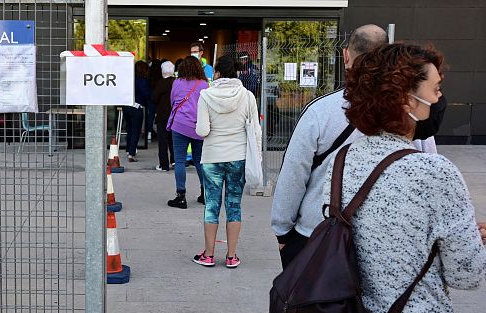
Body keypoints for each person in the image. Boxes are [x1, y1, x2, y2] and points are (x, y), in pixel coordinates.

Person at [321, 42, 486, 313]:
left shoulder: (342, 161)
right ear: (406, 101)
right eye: (436, 88)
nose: (441, 96)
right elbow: (468, 274)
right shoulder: (434, 172)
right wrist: (469, 243)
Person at [271, 25, 389, 272]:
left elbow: (294, 173)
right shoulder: (409, 116)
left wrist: (282, 231)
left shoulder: (321, 112)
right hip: (385, 240)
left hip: (319, 233)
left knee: (315, 310)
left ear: (346, 56)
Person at [193, 56, 257, 268]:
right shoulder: (247, 96)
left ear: (217, 73)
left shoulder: (205, 96)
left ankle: (209, 255)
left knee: (211, 205)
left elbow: (202, 131)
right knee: (234, 205)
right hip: (238, 157)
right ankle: (231, 256)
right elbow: (255, 130)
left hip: (212, 157)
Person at [166, 56, 209, 209]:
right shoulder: (204, 84)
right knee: (199, 161)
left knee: (179, 161)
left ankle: (181, 196)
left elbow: (173, 102)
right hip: (198, 127)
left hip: (179, 125)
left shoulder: (177, 82)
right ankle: (205, 194)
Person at [152, 60, 176, 172]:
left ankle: (164, 165)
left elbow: (154, 98)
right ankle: (175, 161)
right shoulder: (177, 82)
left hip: (163, 116)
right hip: (175, 116)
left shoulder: (161, 83)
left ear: (163, 71)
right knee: (173, 140)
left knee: (163, 141)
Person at [124, 61, 150, 162]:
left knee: (129, 129)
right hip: (137, 107)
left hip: (126, 106)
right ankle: (131, 154)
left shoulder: (129, 80)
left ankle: (128, 149)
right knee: (136, 131)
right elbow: (146, 94)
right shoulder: (142, 81)